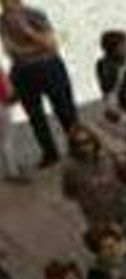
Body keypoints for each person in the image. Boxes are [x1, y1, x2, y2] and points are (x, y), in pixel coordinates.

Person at [0, 0, 77, 168]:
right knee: (35, 116)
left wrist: (28, 32)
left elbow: (52, 44)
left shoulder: (35, 15)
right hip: (22, 71)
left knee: (65, 109)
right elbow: (9, 50)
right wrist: (34, 49)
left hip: (48, 66)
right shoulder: (2, 21)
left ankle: (78, 146)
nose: (4, 5)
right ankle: (50, 153)